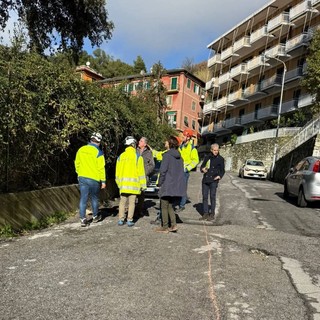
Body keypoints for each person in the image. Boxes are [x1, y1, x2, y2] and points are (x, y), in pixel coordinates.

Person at [155, 136, 186, 233]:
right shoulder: (180, 157)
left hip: (167, 183)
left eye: (166, 141)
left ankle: (165, 227)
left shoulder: (167, 155)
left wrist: (160, 182)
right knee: (170, 205)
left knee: (164, 205)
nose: (165, 142)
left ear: (170, 143)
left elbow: (163, 171)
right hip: (175, 185)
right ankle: (173, 225)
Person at [74, 132, 106, 227]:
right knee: (94, 199)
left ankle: (82, 219)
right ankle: (95, 216)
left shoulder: (81, 149)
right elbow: (101, 168)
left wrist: (79, 173)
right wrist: (103, 181)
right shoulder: (99, 152)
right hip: (94, 179)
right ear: (99, 142)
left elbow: (77, 163)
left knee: (83, 198)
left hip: (82, 177)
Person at [115, 136, 146, 227]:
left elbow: (117, 172)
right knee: (132, 203)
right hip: (134, 186)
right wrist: (143, 185)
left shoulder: (121, 157)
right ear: (133, 145)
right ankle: (129, 220)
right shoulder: (138, 157)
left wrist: (118, 183)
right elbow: (141, 173)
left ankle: (121, 219)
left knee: (122, 202)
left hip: (123, 185)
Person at [199, 143, 225, 221]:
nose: (216, 152)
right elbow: (202, 166)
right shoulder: (207, 157)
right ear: (211, 150)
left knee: (212, 197)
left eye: (217, 150)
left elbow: (222, 170)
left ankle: (212, 214)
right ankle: (205, 213)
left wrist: (219, 176)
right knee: (205, 197)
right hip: (206, 180)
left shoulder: (221, 159)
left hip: (214, 180)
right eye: (214, 150)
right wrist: (202, 169)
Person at [176, 129, 199, 212]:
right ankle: (178, 202)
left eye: (184, 136)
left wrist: (187, 168)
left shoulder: (192, 148)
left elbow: (196, 160)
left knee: (182, 189)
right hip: (178, 170)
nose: (182, 138)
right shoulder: (181, 146)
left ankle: (182, 205)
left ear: (188, 137)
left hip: (185, 171)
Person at [136, 137, 155, 217]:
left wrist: (145, 173)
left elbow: (152, 165)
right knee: (133, 195)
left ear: (145, 144)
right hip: (134, 176)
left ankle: (139, 210)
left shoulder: (148, 153)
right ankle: (132, 211)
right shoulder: (135, 151)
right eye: (139, 140)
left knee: (141, 195)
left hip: (143, 177)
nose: (139, 142)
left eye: (141, 141)